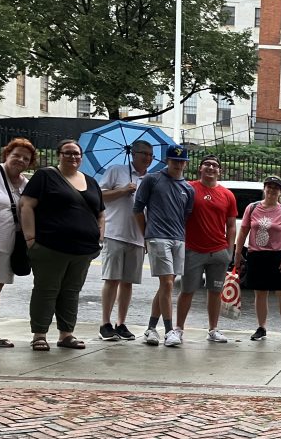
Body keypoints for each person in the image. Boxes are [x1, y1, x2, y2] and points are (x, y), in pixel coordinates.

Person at [19, 139, 104, 351]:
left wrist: (99, 239)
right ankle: (39, 334)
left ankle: (66, 334)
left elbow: (101, 213)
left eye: (76, 153)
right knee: (46, 290)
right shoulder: (45, 176)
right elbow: (26, 205)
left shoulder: (91, 182)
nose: (73, 157)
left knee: (71, 291)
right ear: (59, 155)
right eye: (68, 153)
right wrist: (30, 238)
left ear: (81, 157)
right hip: (50, 246)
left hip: (83, 250)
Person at [133, 144, 195, 347]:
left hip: (178, 238)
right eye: (174, 160)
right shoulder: (153, 179)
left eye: (181, 161)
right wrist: (146, 235)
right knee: (168, 283)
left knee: (165, 285)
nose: (178, 164)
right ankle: (169, 331)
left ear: (185, 163)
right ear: (167, 161)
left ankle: (151, 328)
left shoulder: (188, 188)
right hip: (157, 236)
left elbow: (185, 214)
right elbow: (137, 209)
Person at [178, 154, 237, 343]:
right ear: (200, 168)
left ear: (220, 171)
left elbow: (231, 225)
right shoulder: (189, 188)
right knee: (187, 290)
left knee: (215, 292)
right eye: (207, 164)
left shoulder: (228, 195)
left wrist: (229, 251)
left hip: (218, 251)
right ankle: (178, 329)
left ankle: (213, 330)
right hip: (192, 250)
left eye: (215, 165)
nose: (211, 168)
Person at [98, 140, 153, 341]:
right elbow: (100, 196)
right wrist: (123, 190)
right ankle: (105, 323)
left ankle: (121, 323)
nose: (147, 158)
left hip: (137, 236)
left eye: (150, 155)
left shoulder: (150, 179)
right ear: (133, 154)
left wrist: (147, 236)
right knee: (111, 279)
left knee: (128, 282)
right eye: (143, 154)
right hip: (115, 233)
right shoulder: (116, 171)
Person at [0, 137, 35, 348]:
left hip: (7, 245)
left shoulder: (26, 184)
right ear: (6, 155)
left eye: (26, 158)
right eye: (16, 155)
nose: (20, 160)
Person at [233, 176, 281, 342]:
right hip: (256, 255)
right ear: (264, 189)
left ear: (280, 192)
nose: (271, 190)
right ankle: (261, 327)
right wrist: (238, 253)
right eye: (269, 187)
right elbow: (243, 232)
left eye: (275, 188)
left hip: (277, 256)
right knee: (260, 294)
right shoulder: (252, 208)